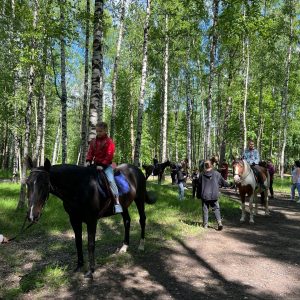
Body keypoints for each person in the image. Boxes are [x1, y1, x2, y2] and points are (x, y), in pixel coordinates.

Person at [86, 122, 123, 214]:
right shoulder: (93, 141)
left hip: (107, 165)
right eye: (97, 131)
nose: (98, 133)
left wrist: (102, 165)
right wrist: (88, 160)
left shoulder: (109, 142)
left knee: (111, 181)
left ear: (105, 130)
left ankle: (117, 203)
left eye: (100, 131)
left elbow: (109, 155)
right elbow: (90, 152)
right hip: (95, 165)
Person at [196, 160, 231, 230]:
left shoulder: (202, 174)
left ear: (204, 166)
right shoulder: (216, 173)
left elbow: (198, 186)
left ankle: (205, 224)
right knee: (216, 209)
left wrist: (198, 195)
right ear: (211, 165)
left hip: (205, 195)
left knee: (205, 209)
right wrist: (231, 184)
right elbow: (223, 182)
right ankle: (219, 222)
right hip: (214, 195)